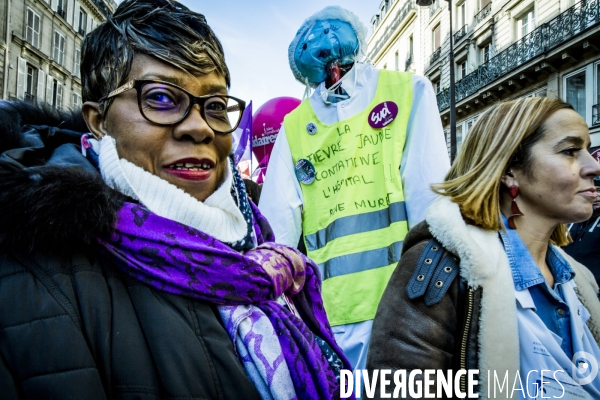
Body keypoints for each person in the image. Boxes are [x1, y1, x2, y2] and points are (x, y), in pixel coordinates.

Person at [0, 1, 351, 399]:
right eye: (162, 98)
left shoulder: (257, 236)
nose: (200, 127)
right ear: (98, 121)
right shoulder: (31, 269)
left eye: (216, 106)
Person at [367, 97, 600, 398]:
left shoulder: (579, 279)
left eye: (587, 149)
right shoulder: (441, 265)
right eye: (570, 151)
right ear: (510, 171)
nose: (594, 165)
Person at [258, 6, 450, 372]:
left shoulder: (297, 126)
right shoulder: (407, 91)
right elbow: (433, 210)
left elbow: (275, 238)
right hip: (403, 304)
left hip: (355, 312)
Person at [564, 149, 600, 284]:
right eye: (592, 190)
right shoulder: (571, 217)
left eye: (599, 190)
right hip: (569, 286)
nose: (595, 195)